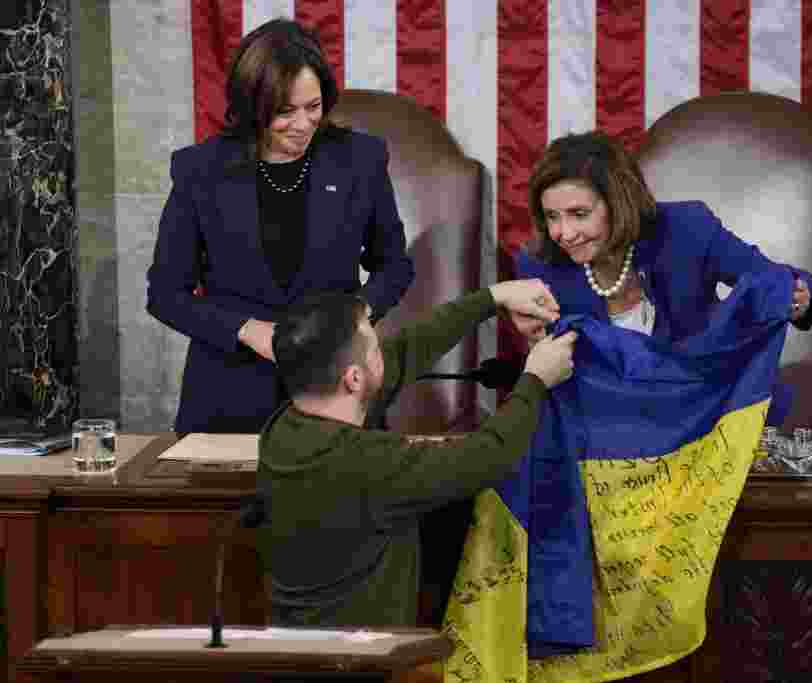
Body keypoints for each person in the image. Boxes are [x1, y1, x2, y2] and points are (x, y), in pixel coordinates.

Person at [147, 19, 414, 434]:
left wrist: (352, 319)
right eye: (285, 111)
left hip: (334, 389)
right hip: (227, 395)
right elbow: (165, 294)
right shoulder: (201, 170)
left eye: (314, 107)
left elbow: (395, 266)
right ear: (253, 106)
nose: (303, 124)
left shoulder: (360, 160)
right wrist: (247, 331)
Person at [259, 278, 574, 628]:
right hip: (360, 662)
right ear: (354, 379)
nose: (385, 351)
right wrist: (535, 380)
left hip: (297, 647)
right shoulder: (367, 463)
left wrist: (493, 298)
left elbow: (407, 350)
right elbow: (489, 456)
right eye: (375, 348)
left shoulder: (281, 430)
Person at [509, 130, 812, 425]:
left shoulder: (687, 228)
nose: (563, 233)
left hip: (709, 411)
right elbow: (548, 383)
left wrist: (798, 297)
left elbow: (771, 277)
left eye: (579, 214)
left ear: (620, 203)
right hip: (607, 432)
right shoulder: (538, 267)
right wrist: (536, 346)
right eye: (552, 216)